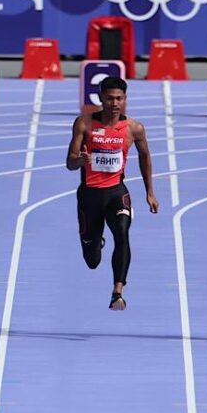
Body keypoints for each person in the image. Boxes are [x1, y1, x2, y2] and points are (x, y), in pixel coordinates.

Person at [65, 76, 159, 310]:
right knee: (92, 260)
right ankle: (94, 241)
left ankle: (117, 292)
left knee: (122, 233)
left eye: (119, 99)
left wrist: (150, 192)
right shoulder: (84, 124)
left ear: (125, 99)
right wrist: (80, 160)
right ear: (101, 98)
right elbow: (69, 162)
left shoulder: (134, 128)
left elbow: (145, 156)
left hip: (117, 193)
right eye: (109, 99)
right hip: (89, 196)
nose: (114, 104)